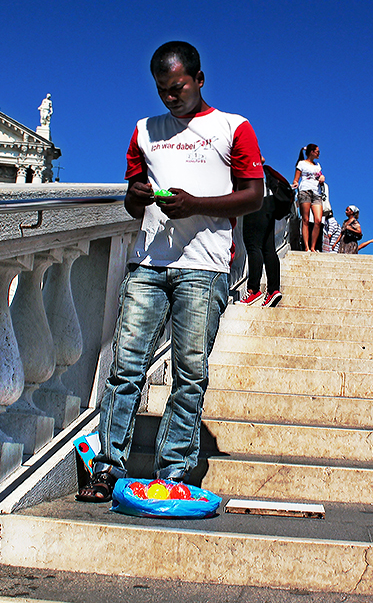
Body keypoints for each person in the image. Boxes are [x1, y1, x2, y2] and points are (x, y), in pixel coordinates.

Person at [75, 41, 264, 502]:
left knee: (190, 372)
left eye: (178, 88)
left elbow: (254, 195)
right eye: (162, 91)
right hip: (149, 262)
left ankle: (172, 475)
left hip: (206, 265)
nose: (170, 98)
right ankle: (107, 468)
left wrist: (195, 205)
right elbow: (130, 197)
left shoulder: (232, 127)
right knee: (125, 368)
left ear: (199, 79)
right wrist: (136, 197)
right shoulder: (144, 130)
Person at [238, 155, 282, 307]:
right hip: (268, 199)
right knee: (268, 248)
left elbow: (260, 158)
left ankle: (253, 289)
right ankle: (273, 290)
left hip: (254, 198)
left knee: (253, 246)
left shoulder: (240, 149)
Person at [292, 144, 325, 252]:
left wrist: (322, 177)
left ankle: (313, 246)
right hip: (305, 191)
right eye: (317, 151)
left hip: (316, 193)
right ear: (311, 152)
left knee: (318, 220)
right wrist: (295, 184)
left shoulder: (317, 166)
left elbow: (319, 175)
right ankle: (306, 247)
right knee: (305, 219)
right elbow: (296, 179)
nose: (319, 153)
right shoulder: (301, 163)